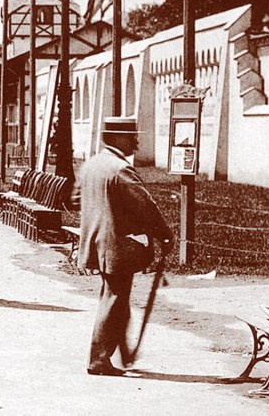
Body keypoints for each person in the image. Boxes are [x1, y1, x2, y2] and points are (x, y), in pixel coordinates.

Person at [78, 116, 173, 377]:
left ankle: (120, 352)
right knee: (115, 299)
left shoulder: (93, 165)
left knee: (115, 297)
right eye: (132, 137)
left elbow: (80, 199)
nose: (137, 142)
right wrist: (164, 235)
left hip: (97, 242)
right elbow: (145, 206)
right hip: (115, 245)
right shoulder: (120, 169)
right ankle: (99, 359)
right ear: (117, 137)